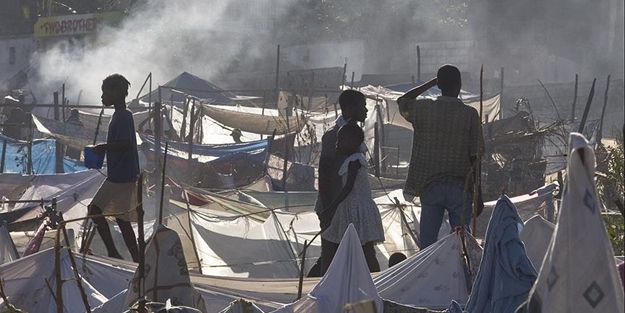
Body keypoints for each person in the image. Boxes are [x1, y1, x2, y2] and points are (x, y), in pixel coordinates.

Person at [397, 64, 483, 250]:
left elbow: (403, 101)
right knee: (462, 244)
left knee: (427, 246)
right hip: (460, 188)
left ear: (439, 85)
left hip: (431, 187)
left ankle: (429, 277)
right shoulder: (469, 114)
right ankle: (461, 278)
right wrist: (478, 194)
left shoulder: (424, 109)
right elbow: (475, 157)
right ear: (459, 85)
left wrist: (430, 83)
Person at [314, 89, 368, 275]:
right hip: (333, 206)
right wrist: (328, 208)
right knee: (331, 256)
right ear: (351, 108)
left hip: (346, 208)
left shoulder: (354, 135)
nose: (366, 111)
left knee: (348, 255)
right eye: (362, 106)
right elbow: (324, 172)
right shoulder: (335, 135)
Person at [319, 121, 385, 274]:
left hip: (357, 210)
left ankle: (375, 281)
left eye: (341, 140)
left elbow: (348, 187)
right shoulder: (350, 160)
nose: (337, 144)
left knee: (366, 249)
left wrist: (331, 208)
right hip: (353, 209)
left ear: (353, 142)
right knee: (358, 247)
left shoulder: (355, 160)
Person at [88, 74, 140, 262]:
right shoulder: (119, 115)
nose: (102, 97)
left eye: (105, 92)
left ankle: (113, 252)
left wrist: (102, 147)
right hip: (124, 173)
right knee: (122, 219)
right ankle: (137, 258)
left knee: (94, 209)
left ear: (117, 93)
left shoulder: (124, 116)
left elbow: (125, 143)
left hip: (121, 175)